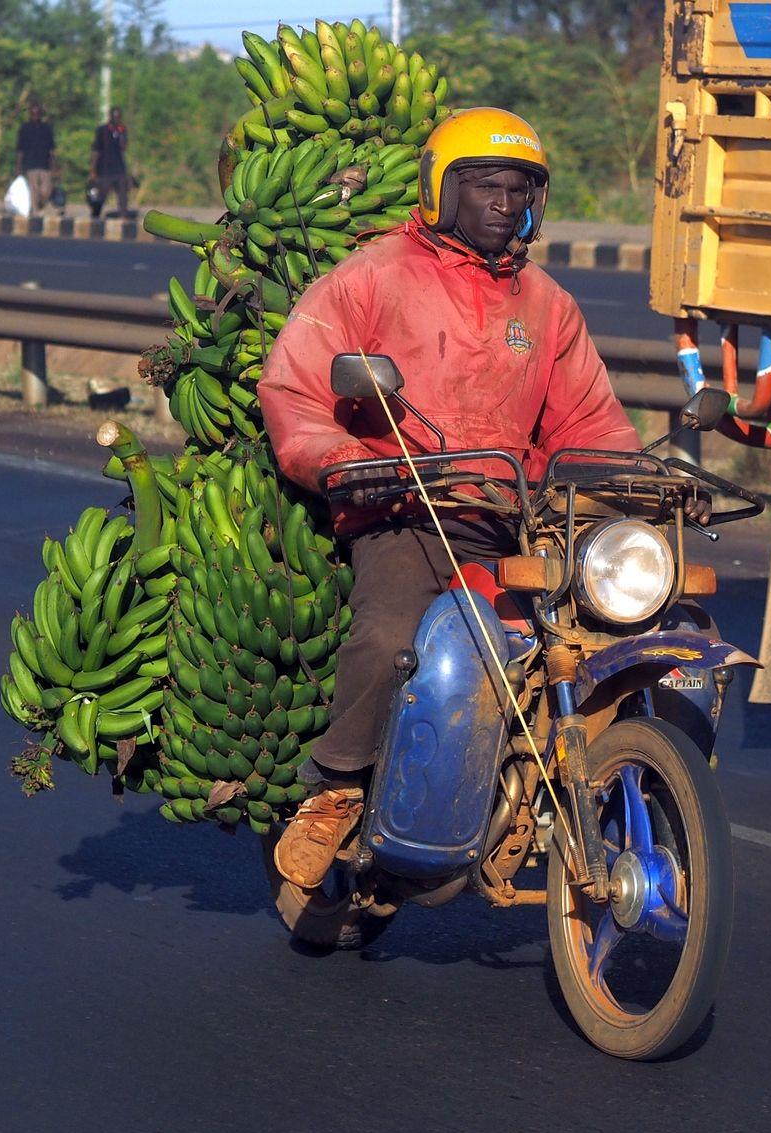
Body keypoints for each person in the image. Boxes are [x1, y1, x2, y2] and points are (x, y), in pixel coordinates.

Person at [257, 108, 641, 890]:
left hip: (515, 518)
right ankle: (334, 789)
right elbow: (294, 384)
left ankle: (563, 793)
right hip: (404, 508)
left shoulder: (548, 307)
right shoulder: (373, 277)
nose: (503, 201)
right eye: (484, 185)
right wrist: (339, 461)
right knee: (392, 631)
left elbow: (588, 422)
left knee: (604, 638)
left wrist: (634, 483)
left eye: (519, 188)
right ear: (439, 189)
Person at [90, 107, 133, 217]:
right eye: (114, 117)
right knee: (101, 195)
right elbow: (96, 150)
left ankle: (123, 215)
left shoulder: (121, 130)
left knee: (123, 194)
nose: (116, 119)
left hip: (119, 167)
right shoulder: (101, 130)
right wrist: (93, 169)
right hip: (104, 168)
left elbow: (123, 147)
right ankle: (96, 214)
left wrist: (121, 133)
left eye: (118, 117)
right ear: (110, 117)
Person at [14, 103, 55, 216]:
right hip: (30, 164)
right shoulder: (25, 128)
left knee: (45, 191)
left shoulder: (46, 128)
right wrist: (18, 166)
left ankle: (41, 205)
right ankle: (35, 211)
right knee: (33, 189)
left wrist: (54, 166)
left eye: (37, 113)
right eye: (33, 113)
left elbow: (52, 150)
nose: (35, 115)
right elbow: (20, 150)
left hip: (44, 164)